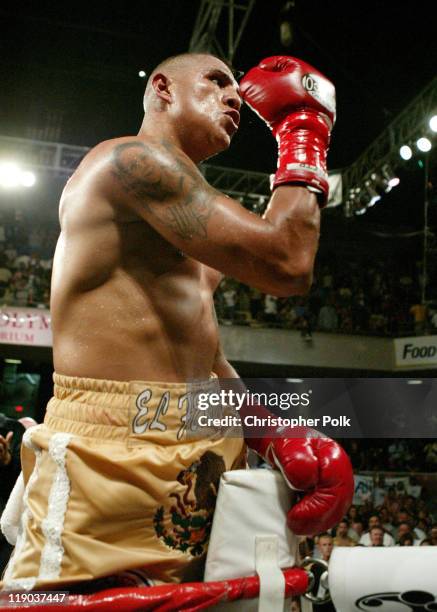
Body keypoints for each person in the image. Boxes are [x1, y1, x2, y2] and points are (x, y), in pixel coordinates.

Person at [1, 53, 352, 591]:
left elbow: (206, 361)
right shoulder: (129, 163)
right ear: (163, 89)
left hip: (201, 444)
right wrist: (304, 130)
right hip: (108, 455)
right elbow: (287, 263)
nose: (234, 97)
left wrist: (274, 434)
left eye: (236, 87)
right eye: (216, 82)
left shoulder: (198, 223)